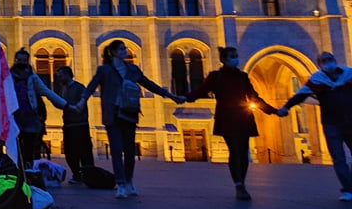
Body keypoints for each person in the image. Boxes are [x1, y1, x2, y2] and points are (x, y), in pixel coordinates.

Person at [75, 39, 182, 198]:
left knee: (130, 151)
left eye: (125, 48)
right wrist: (82, 100)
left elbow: (149, 85)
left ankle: (129, 180)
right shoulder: (104, 70)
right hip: (112, 114)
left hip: (129, 113)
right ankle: (121, 184)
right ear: (114, 52)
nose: (125, 51)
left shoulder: (132, 69)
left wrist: (170, 95)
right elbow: (91, 86)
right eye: (122, 48)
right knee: (117, 150)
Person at [184, 47, 276, 200]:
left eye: (236, 56)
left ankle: (242, 183)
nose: (236, 58)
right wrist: (185, 98)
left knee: (243, 152)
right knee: (234, 150)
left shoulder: (242, 77)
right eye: (232, 56)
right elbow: (201, 91)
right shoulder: (216, 76)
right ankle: (238, 184)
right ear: (224, 59)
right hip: (226, 118)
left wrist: (273, 110)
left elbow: (254, 97)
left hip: (243, 117)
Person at [277, 51, 352, 202]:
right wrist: (286, 107)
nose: (328, 62)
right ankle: (348, 189)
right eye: (324, 60)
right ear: (320, 65)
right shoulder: (317, 80)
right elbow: (300, 95)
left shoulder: (348, 74)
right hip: (331, 123)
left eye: (329, 59)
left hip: (350, 121)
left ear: (334, 60)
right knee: (338, 158)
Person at [0, 48, 69, 170]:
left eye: (24, 60)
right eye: (19, 60)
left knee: (29, 149)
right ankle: (18, 174)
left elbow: (46, 91)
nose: (21, 62)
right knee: (15, 149)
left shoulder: (33, 78)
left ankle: (27, 174)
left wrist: (65, 105)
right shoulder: (9, 77)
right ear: (15, 61)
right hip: (14, 118)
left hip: (30, 118)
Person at [53, 65, 95, 183]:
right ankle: (77, 174)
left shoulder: (79, 87)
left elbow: (79, 105)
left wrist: (65, 104)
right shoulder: (63, 89)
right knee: (70, 152)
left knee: (84, 152)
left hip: (80, 125)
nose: (59, 79)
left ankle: (88, 176)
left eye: (60, 76)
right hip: (68, 125)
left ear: (67, 75)